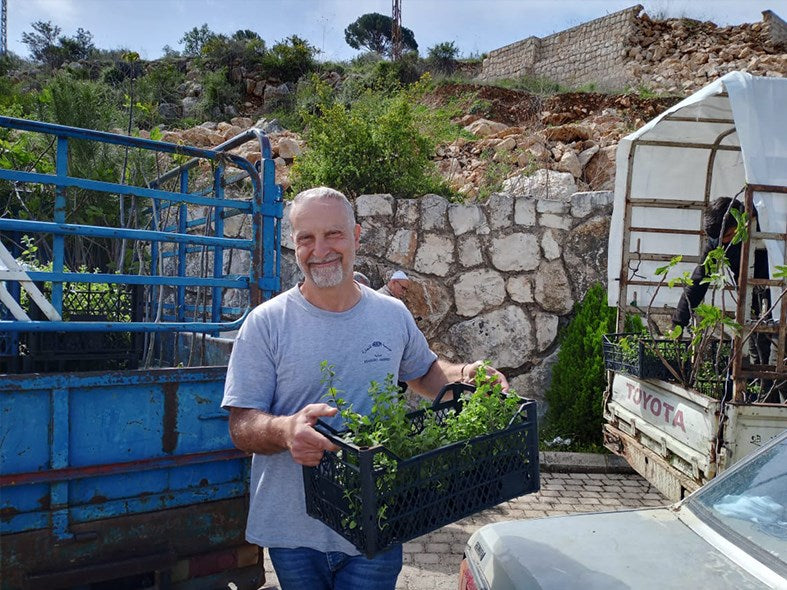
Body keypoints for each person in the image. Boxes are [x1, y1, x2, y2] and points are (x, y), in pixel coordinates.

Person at [222, 186, 507, 590]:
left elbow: (424, 373)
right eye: (306, 238)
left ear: (356, 237)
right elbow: (241, 425)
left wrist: (465, 376)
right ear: (294, 244)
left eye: (333, 234)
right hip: (295, 530)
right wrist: (286, 432)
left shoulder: (391, 313)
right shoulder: (266, 323)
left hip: (379, 522)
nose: (319, 249)